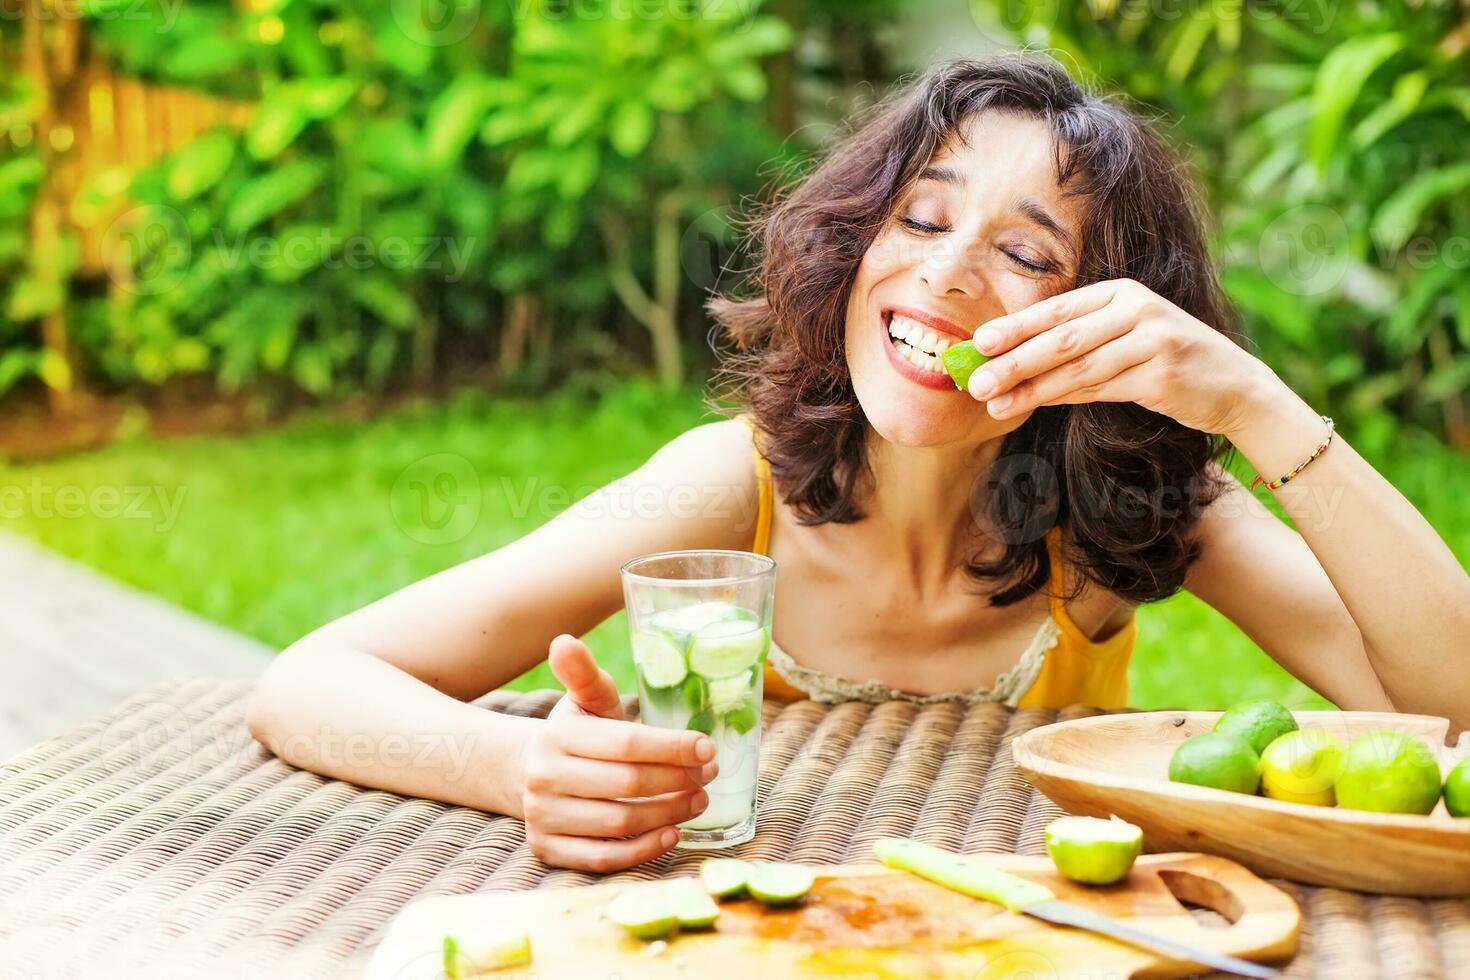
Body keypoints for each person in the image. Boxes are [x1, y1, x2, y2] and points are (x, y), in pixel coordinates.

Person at [246, 55, 1470, 872]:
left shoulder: (1135, 513)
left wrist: (1255, 405)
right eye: (922, 220)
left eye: (1029, 255)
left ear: (1110, 315)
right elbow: (313, 680)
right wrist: (523, 764)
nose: (945, 274)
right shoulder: (737, 484)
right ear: (852, 244)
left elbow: (1454, 702)